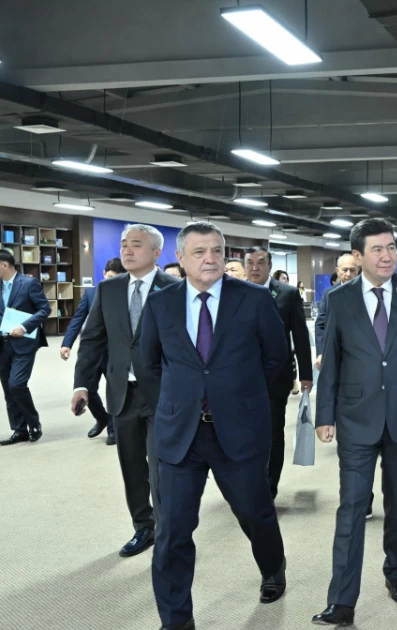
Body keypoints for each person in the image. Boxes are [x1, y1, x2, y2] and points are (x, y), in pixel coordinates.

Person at [140, 221, 288, 630]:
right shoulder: (161, 303)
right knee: (172, 531)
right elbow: (149, 364)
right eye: (200, 252)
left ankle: (273, 566)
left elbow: (276, 358)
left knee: (255, 513)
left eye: (217, 251)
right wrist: (179, 402)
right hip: (180, 435)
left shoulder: (254, 299)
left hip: (238, 430)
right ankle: (176, 621)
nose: (210, 259)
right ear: (180, 258)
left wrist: (241, 396)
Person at [313, 218, 397, 627]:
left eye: (391, 247)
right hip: (356, 417)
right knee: (352, 507)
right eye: (377, 249)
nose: (387, 255)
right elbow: (331, 361)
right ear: (358, 255)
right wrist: (324, 415)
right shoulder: (339, 299)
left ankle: (396, 573)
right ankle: (342, 601)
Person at [72, 226, 182, 559]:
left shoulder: (176, 289)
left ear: (156, 252)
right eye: (124, 245)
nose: (127, 251)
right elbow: (93, 339)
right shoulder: (108, 289)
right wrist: (82, 384)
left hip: (164, 394)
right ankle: (143, 527)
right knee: (131, 466)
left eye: (136, 245)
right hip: (122, 393)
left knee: (161, 470)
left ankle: (168, 534)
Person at [244, 246, 313, 498]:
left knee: (272, 433)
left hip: (275, 378)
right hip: (240, 379)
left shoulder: (287, 293)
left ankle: (268, 489)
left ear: (270, 266)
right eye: (250, 263)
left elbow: (301, 337)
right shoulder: (233, 292)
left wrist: (306, 375)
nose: (255, 268)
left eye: (260, 262)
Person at [0, 249, 51, 446]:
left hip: (24, 343)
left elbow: (45, 309)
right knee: (8, 390)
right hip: (2, 344)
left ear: (4, 265)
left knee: (16, 384)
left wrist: (24, 326)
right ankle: (19, 430)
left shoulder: (28, 283)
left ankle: (34, 423)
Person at [60, 257, 125, 444]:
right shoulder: (91, 294)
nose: (112, 281)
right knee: (86, 387)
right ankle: (102, 418)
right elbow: (78, 319)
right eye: (110, 277)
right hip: (94, 351)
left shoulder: (127, 294)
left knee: (114, 391)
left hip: (116, 352)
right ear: (103, 274)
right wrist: (67, 343)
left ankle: (113, 429)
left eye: (117, 278)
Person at [315, 253, 360, 369]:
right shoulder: (329, 294)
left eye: (352, 270)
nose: (348, 274)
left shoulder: (367, 293)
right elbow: (320, 325)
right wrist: (321, 352)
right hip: (334, 353)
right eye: (345, 270)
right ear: (337, 271)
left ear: (358, 271)